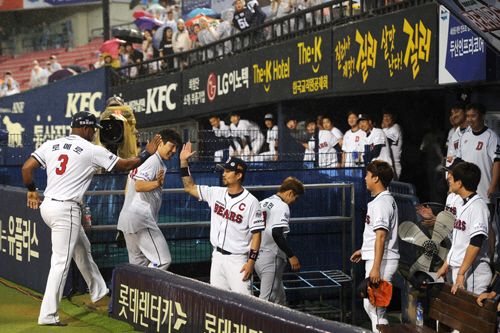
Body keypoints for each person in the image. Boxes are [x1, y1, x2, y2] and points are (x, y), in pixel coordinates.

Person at [22, 111, 162, 326]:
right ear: (86, 129)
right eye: (93, 130)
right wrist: (147, 154)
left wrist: (31, 190)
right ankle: (48, 315)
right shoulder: (91, 150)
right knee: (60, 263)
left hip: (49, 206)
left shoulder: (51, 144)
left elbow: (26, 168)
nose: (95, 134)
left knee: (82, 249)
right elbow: (125, 165)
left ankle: (98, 290)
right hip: (65, 210)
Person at [180, 145, 265, 294]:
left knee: (244, 304)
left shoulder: (251, 202)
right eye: (223, 171)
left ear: (239, 175)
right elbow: (190, 187)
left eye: (227, 171)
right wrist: (183, 162)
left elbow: (257, 235)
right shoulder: (216, 193)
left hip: (238, 260)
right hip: (217, 257)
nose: (223, 174)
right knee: (218, 302)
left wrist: (251, 262)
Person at [117, 129, 182, 270]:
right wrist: (156, 184)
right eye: (172, 146)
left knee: (138, 266)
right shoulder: (153, 160)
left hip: (129, 219)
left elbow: (128, 188)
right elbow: (139, 186)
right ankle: (150, 289)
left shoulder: (143, 158)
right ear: (160, 143)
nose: (174, 150)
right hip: (141, 220)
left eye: (177, 147)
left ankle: (137, 290)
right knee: (162, 261)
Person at [351, 160, 399, 333]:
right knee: (370, 306)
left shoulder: (381, 203)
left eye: (368, 175)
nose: (365, 178)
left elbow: (381, 236)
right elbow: (377, 236)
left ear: (376, 178)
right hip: (378, 258)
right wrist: (364, 251)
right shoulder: (382, 200)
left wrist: (376, 267)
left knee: (377, 309)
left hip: (382, 261)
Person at [436, 162, 492, 295]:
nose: (449, 179)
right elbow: (457, 242)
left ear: (460, 183)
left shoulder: (478, 207)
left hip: (473, 273)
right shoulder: (462, 204)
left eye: (452, 177)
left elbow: (475, 244)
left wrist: (461, 273)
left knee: (470, 315)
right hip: (461, 270)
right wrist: (446, 265)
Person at [255, 177, 305, 304]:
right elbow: (276, 233)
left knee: (279, 298)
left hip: (257, 256)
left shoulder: (262, 203)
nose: (294, 201)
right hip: (270, 257)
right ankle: (259, 324)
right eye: (296, 197)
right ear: (290, 193)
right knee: (267, 300)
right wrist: (291, 255)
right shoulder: (282, 205)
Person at [381, 107, 403, 180]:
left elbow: (384, 142)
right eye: (384, 116)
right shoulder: (387, 129)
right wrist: (383, 129)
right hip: (387, 164)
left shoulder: (396, 128)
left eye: (388, 116)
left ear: (394, 116)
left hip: (394, 165)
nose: (386, 118)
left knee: (392, 190)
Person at [445, 102, 467, 169]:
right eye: (451, 114)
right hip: (454, 168)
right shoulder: (454, 134)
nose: (454, 116)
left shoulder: (472, 131)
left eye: (456, 112)